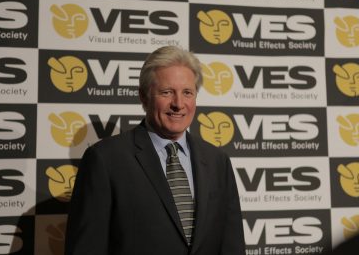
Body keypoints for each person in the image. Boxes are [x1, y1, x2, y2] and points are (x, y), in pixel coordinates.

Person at [64, 45, 246, 255]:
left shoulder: (217, 161)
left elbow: (231, 245)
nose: (178, 104)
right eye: (167, 92)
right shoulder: (105, 159)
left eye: (187, 92)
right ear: (144, 96)